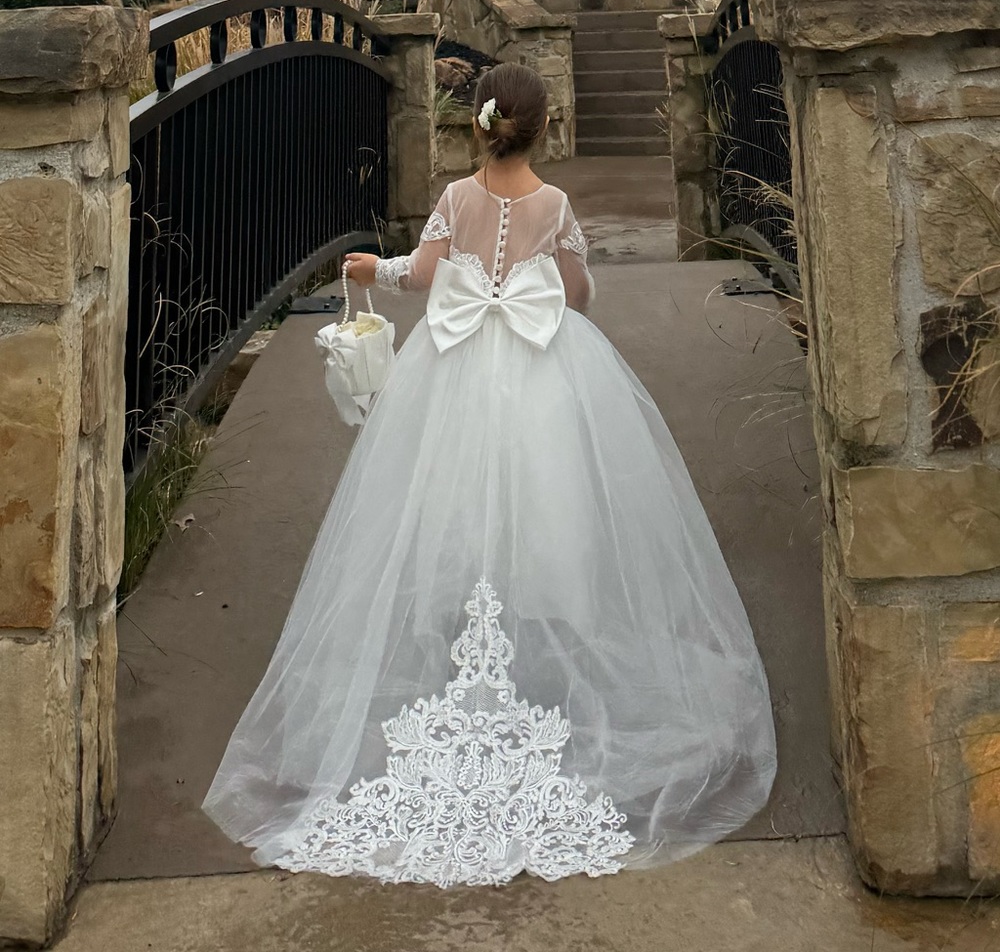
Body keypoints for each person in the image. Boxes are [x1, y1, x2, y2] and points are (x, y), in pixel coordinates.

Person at [202, 62, 777, 887]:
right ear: (544, 129)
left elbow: (427, 276)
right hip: (543, 370)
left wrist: (376, 271)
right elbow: (578, 298)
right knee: (550, 496)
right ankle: (536, 627)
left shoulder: (455, 197)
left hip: (453, 366)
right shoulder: (555, 206)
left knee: (443, 496)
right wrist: (547, 280)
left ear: (478, 127)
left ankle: (463, 626)